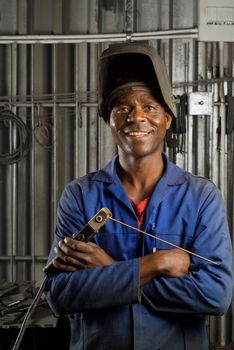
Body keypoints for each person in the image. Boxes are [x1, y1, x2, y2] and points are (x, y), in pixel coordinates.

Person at [44, 42, 233, 350]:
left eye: (150, 106)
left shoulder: (201, 197)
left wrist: (108, 270)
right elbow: (60, 294)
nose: (137, 116)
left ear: (167, 119)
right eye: (123, 108)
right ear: (109, 122)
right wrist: (156, 264)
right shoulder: (80, 195)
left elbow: (215, 294)